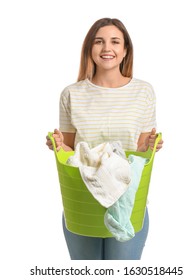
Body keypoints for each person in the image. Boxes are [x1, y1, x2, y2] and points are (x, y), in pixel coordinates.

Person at [46, 17, 163, 260]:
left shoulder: (143, 92)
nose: (107, 48)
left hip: (127, 201)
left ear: (125, 50)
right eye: (99, 41)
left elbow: (139, 151)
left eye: (115, 42)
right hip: (82, 199)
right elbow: (69, 151)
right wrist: (59, 146)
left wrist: (149, 146)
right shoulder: (72, 94)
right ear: (90, 48)